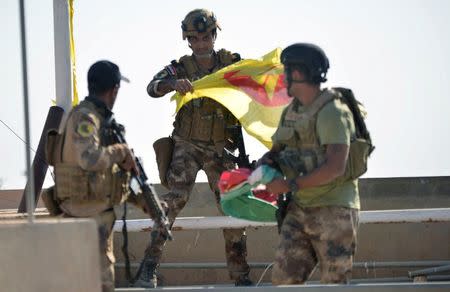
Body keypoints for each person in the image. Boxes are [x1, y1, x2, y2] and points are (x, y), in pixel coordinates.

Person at [135, 8, 253, 288]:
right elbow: (151, 87)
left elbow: (257, 79)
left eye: (204, 37)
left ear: (214, 35)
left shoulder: (231, 62)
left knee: (232, 209)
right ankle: (147, 269)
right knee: (172, 202)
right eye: (194, 39)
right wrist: (172, 84)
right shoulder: (180, 67)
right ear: (187, 40)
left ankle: (241, 277)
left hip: (220, 147)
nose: (200, 43)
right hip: (186, 146)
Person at [261, 43, 362, 284]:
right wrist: (259, 170)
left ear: (297, 73)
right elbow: (275, 152)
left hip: (334, 210)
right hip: (299, 210)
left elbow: (335, 166)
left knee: (334, 284)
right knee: (284, 282)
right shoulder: (291, 112)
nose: (284, 77)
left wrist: (289, 185)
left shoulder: (333, 112)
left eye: (286, 71)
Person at [47, 60, 141, 292]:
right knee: (100, 283)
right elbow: (88, 159)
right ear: (114, 89)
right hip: (85, 215)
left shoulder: (99, 119)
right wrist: (121, 152)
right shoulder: (86, 118)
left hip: (92, 211)